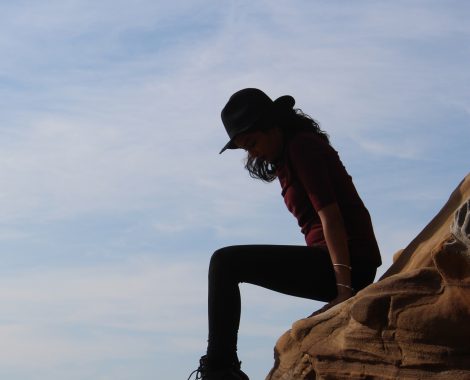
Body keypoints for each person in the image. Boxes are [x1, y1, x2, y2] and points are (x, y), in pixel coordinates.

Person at [187, 88, 382, 380]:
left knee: (225, 263)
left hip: (348, 263)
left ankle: (219, 368)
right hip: (338, 262)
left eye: (252, 142)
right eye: (245, 148)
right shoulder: (287, 156)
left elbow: (332, 216)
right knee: (225, 264)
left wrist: (344, 291)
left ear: (271, 125)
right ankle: (220, 367)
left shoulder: (302, 147)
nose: (252, 152)